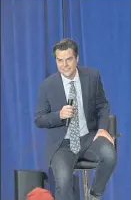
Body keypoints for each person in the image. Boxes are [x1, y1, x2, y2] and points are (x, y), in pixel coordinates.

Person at [34, 38, 117, 200]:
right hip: (62, 144)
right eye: (60, 60)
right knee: (64, 183)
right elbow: (39, 119)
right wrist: (59, 115)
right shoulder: (47, 86)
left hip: (89, 137)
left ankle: (94, 195)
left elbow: (102, 105)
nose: (64, 65)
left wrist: (101, 129)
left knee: (109, 155)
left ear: (77, 58)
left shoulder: (92, 76)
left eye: (68, 59)